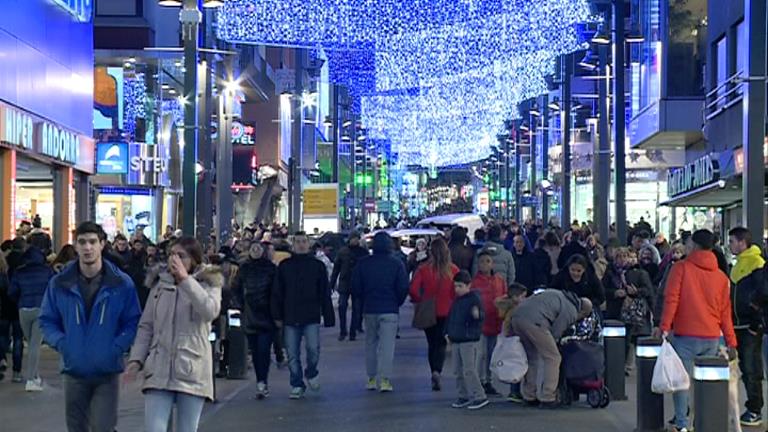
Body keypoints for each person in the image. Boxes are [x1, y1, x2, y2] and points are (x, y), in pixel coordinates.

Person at [39, 222, 141, 432]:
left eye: (93, 242)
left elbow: (132, 321)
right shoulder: (60, 283)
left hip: (107, 371)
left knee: (103, 427)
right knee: (76, 428)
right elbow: (47, 319)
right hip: (73, 370)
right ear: (75, 246)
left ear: (102, 244)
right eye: (82, 242)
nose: (87, 248)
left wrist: (117, 346)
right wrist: (62, 343)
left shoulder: (121, 284)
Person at [125, 237, 222, 432]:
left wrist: (186, 280)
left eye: (181, 256)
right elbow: (146, 326)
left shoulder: (209, 282)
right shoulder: (159, 284)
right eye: (171, 254)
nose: (174, 260)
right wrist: (136, 360)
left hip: (191, 367)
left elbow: (210, 311)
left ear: (193, 259)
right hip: (159, 367)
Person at [657, 229, 738, 432]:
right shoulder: (721, 277)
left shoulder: (680, 268)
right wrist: (731, 342)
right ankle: (703, 422)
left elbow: (672, 299)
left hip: (685, 336)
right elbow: (725, 312)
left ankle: (683, 425)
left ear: (693, 245)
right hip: (711, 337)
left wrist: (664, 327)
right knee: (705, 384)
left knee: (681, 383)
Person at [271, 232, 335, 399]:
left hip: (311, 315)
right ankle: (296, 383)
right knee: (292, 354)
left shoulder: (317, 266)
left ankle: (311, 371)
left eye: (303, 242)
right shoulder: (285, 266)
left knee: (313, 349)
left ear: (309, 244)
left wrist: (328, 316)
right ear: (293, 244)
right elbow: (277, 292)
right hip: (290, 316)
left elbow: (324, 292)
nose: (301, 245)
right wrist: (277, 315)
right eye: (298, 242)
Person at [510, 290, 592, 408]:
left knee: (532, 357)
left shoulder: (560, 295)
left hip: (517, 317)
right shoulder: (572, 310)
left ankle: (529, 395)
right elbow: (555, 332)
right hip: (535, 322)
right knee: (553, 357)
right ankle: (548, 397)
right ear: (583, 312)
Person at [351, 232, 409, 392]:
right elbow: (403, 286)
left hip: (369, 308)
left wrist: (362, 300)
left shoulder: (363, 263)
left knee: (370, 343)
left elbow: (355, 286)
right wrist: (397, 301)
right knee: (387, 345)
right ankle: (384, 380)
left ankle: (371, 378)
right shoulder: (396, 263)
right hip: (390, 308)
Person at [727, 227, 766, 427]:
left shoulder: (756, 264)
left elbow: (763, 294)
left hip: (749, 325)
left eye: (732, 241)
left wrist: (755, 323)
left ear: (743, 242)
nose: (730, 245)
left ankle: (755, 408)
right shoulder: (738, 264)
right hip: (737, 324)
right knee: (745, 366)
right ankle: (752, 406)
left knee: (751, 368)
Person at [409, 237, 459, 391]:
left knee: (432, 343)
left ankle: (434, 371)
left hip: (428, 310)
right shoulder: (453, 270)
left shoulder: (423, 269)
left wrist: (420, 299)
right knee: (441, 343)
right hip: (447, 310)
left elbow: (413, 290)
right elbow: (457, 291)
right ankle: (438, 370)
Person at [231, 242, 277, 399]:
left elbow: (277, 291)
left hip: (267, 316)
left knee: (263, 351)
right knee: (256, 351)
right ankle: (261, 381)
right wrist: (240, 306)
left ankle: (262, 381)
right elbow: (235, 289)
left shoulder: (271, 269)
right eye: (253, 248)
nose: (256, 251)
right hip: (250, 315)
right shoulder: (244, 269)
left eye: (259, 248)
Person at [8, 243, 54, 391]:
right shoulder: (47, 271)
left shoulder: (19, 272)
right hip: (41, 309)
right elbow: (54, 289)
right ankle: (31, 380)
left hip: (24, 310)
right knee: (35, 345)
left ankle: (35, 376)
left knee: (31, 343)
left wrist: (20, 300)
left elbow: (12, 291)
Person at [603, 248, 654, 373]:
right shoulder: (610, 272)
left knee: (629, 340)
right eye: (619, 256)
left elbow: (648, 291)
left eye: (625, 256)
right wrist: (614, 293)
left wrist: (636, 292)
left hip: (633, 313)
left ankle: (625, 365)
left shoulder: (639, 273)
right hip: (614, 311)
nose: (622, 259)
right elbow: (602, 290)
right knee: (614, 341)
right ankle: (615, 365)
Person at [446, 270, 488, 410]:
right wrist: (448, 333)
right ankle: (462, 395)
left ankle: (479, 395)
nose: (457, 289)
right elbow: (451, 318)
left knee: (469, 370)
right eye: (456, 286)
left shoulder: (474, 299)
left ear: (468, 285)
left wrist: (477, 315)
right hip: (457, 338)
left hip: (469, 339)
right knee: (457, 370)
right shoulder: (457, 301)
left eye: (460, 286)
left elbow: (480, 316)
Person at [471, 252, 507, 396]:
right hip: (480, 323)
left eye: (488, 261)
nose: (485, 264)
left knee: (492, 354)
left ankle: (488, 381)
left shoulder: (499, 280)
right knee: (480, 354)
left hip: (495, 321)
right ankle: (479, 380)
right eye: (482, 262)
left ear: (492, 263)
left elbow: (504, 299)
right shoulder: (474, 282)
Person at [494, 283, 529, 402]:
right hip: (515, 338)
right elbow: (510, 324)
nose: (524, 299)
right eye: (522, 297)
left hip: (509, 339)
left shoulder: (507, 308)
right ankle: (515, 392)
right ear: (515, 298)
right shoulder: (515, 310)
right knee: (518, 364)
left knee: (513, 363)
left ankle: (514, 391)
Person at [330, 232, 368, 341]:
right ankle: (343, 331)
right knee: (342, 306)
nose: (355, 241)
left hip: (358, 284)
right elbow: (336, 268)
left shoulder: (362, 252)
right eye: (354, 239)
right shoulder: (343, 252)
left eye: (357, 239)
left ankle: (352, 332)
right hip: (344, 283)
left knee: (356, 309)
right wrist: (332, 284)